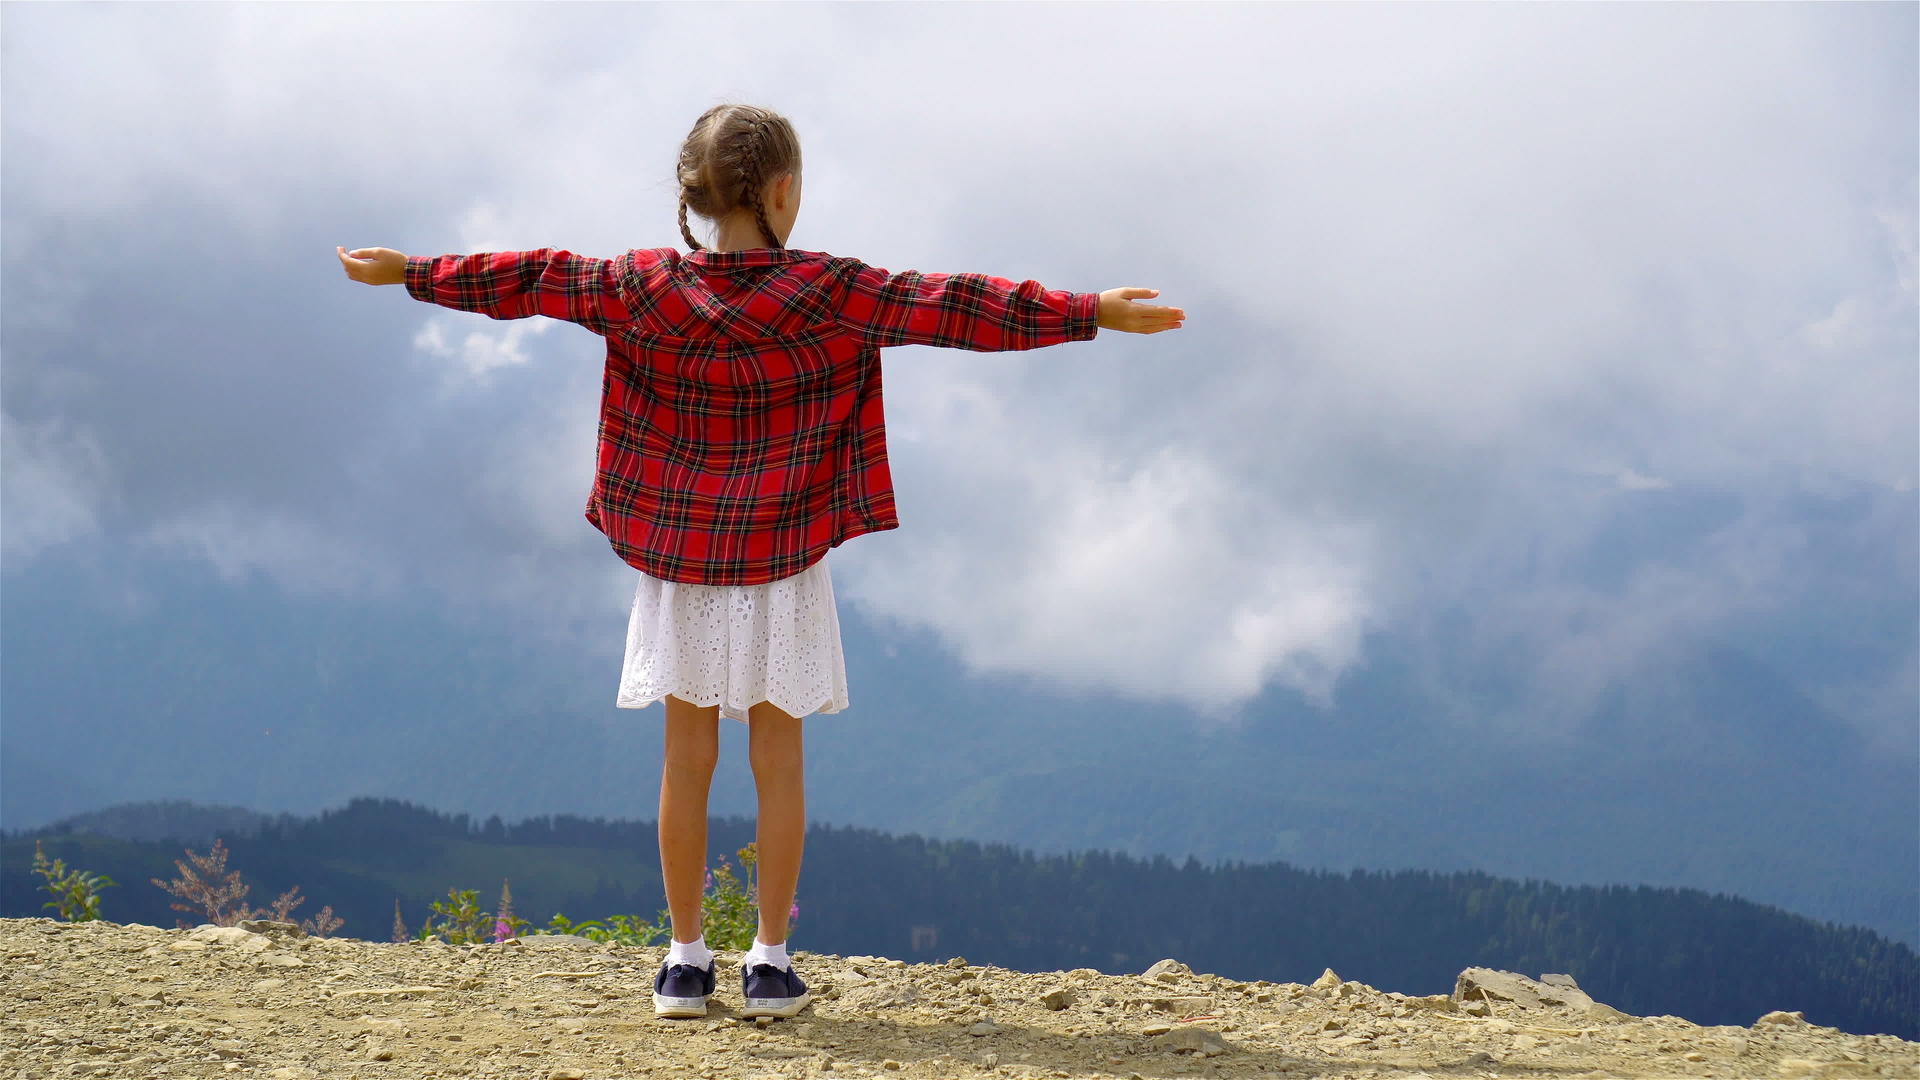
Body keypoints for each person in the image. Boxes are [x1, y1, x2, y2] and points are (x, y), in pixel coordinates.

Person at [336, 102, 1186, 1021]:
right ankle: (771, 962)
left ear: (694, 196)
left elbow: (532, 277)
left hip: (680, 556)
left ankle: (683, 963)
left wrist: (411, 274)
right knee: (778, 760)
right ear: (782, 190)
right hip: (782, 553)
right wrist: (1088, 313)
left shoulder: (639, 286)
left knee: (685, 757)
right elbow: (952, 307)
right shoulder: (830, 290)